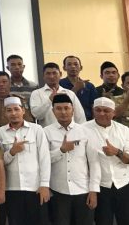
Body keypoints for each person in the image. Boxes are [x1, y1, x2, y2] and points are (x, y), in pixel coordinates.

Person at [43, 94, 100, 225]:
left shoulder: (85, 131)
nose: (63, 112)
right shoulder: (46, 132)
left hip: (83, 190)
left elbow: (94, 163)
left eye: (66, 108)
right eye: (59, 109)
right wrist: (61, 150)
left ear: (73, 109)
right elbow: (44, 160)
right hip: (58, 191)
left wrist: (93, 191)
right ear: (53, 111)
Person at [82, 97, 129, 225]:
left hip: (123, 183)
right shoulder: (82, 129)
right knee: (103, 221)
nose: (102, 113)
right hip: (100, 187)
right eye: (98, 110)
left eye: (106, 110)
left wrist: (117, 152)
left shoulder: (124, 130)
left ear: (114, 113)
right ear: (93, 111)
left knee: (128, 221)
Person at [0, 96, 50, 225]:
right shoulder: (0, 133)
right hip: (12, 188)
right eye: (9, 110)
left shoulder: (36, 129)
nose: (13, 113)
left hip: (35, 188)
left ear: (23, 111)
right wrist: (12, 152)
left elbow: (44, 158)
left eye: (16, 109)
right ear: (5, 113)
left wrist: (44, 185)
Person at [59, 55, 97, 120]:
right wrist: (75, 89)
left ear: (81, 67)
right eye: (69, 64)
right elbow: (60, 103)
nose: (73, 66)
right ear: (64, 68)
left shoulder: (89, 86)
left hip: (87, 120)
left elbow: (94, 106)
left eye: (76, 64)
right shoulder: (59, 84)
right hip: (66, 120)